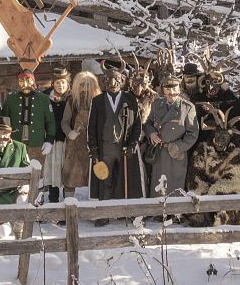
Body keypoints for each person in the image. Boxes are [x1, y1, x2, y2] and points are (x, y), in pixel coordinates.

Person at [87, 68, 143, 219]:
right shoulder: (97, 101)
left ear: (122, 80)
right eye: (108, 79)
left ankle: (126, 213)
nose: (112, 82)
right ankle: (104, 214)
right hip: (105, 147)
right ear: (104, 81)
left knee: (125, 180)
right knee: (105, 179)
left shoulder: (130, 99)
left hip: (124, 146)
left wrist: (133, 144)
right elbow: (91, 127)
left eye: (116, 79)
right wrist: (92, 147)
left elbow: (137, 125)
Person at [143, 74, 200, 197]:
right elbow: (148, 123)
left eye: (174, 89)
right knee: (157, 185)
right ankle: (157, 213)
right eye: (168, 89)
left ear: (179, 89)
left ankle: (174, 214)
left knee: (174, 186)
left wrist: (178, 146)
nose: (171, 92)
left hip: (175, 154)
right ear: (163, 90)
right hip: (158, 152)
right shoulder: (156, 104)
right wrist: (151, 133)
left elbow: (193, 133)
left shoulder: (187, 107)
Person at [2, 69, 55, 185]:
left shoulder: (44, 99)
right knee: (17, 172)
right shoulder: (11, 99)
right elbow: (4, 120)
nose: (25, 84)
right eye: (21, 80)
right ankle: (19, 200)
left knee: (37, 173)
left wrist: (49, 140)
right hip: (16, 143)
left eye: (28, 80)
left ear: (33, 82)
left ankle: (37, 199)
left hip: (37, 143)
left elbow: (50, 121)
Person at [61, 70, 100, 200]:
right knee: (71, 175)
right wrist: (69, 132)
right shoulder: (72, 102)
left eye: (88, 85)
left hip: (94, 144)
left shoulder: (99, 101)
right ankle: (68, 205)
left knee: (95, 175)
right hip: (75, 145)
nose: (85, 88)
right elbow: (65, 122)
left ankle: (95, 208)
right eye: (82, 85)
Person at [42, 67, 72, 204]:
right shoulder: (45, 98)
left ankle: (68, 203)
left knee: (67, 172)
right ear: (53, 83)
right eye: (58, 82)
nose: (61, 85)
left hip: (68, 141)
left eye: (63, 83)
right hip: (52, 141)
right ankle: (53, 201)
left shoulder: (72, 98)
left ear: (68, 84)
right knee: (53, 171)